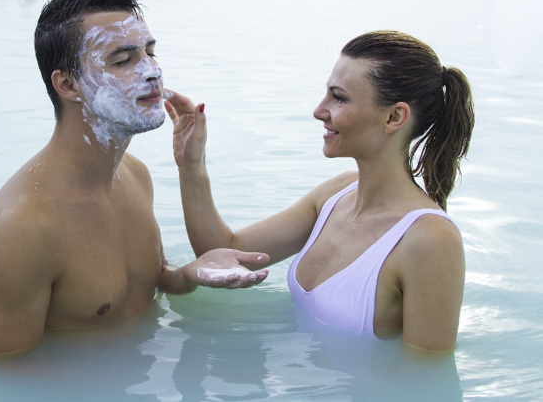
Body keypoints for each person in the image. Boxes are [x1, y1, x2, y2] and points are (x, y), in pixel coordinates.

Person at [0, 0, 269, 356]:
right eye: (124, 60)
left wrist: (187, 274)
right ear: (67, 85)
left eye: (150, 53)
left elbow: (147, 282)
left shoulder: (134, 176)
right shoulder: (21, 229)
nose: (152, 72)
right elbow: (0, 374)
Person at [165, 30, 474, 352]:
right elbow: (224, 252)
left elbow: (427, 380)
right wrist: (192, 167)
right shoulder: (337, 194)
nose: (319, 110)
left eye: (338, 97)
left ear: (394, 117)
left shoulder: (430, 240)